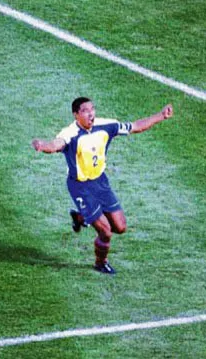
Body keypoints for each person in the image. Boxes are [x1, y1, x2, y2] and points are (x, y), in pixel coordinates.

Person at [31, 97, 174, 274]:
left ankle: (80, 218)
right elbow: (55, 145)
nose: (91, 113)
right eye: (85, 111)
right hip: (80, 187)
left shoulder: (106, 125)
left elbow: (136, 126)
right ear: (76, 115)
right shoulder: (70, 133)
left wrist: (161, 116)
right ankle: (100, 262)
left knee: (120, 227)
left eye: (92, 109)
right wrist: (42, 145)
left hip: (100, 182)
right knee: (106, 232)